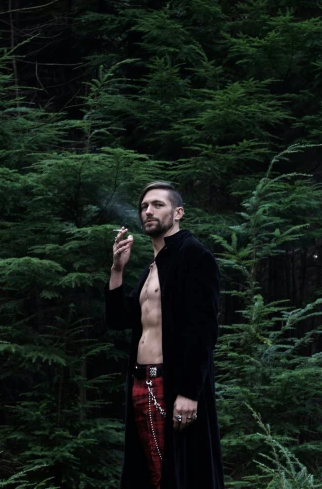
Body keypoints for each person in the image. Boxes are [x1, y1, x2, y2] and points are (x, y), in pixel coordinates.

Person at [105, 181, 224, 489]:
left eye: (158, 205)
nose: (149, 211)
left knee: (176, 476)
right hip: (141, 382)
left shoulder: (194, 256)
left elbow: (204, 329)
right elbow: (120, 319)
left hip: (172, 385)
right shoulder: (153, 267)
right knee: (150, 476)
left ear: (178, 212)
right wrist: (117, 269)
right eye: (144, 206)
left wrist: (189, 392)